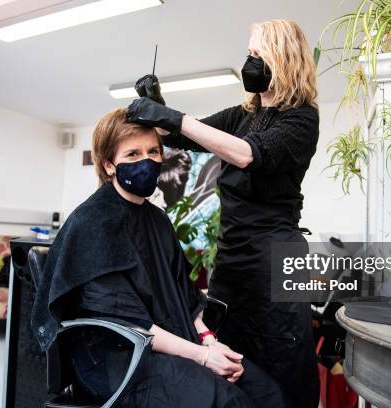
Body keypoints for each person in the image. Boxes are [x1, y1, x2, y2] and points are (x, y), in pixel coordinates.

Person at [30, 108, 285, 408]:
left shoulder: (157, 220)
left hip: (168, 344)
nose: (146, 162)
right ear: (109, 164)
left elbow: (183, 296)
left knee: (266, 392)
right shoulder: (92, 223)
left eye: (153, 152)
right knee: (228, 402)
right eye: (133, 154)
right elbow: (128, 321)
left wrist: (209, 341)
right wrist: (203, 357)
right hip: (118, 360)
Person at [126, 19, 320, 408]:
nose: (249, 62)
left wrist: (173, 118)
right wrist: (160, 108)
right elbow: (186, 136)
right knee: (231, 359)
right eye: (247, 54)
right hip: (233, 260)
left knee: (283, 360)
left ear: (282, 58)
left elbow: (248, 155)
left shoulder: (302, 118)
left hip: (277, 259)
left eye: (256, 55)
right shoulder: (242, 114)